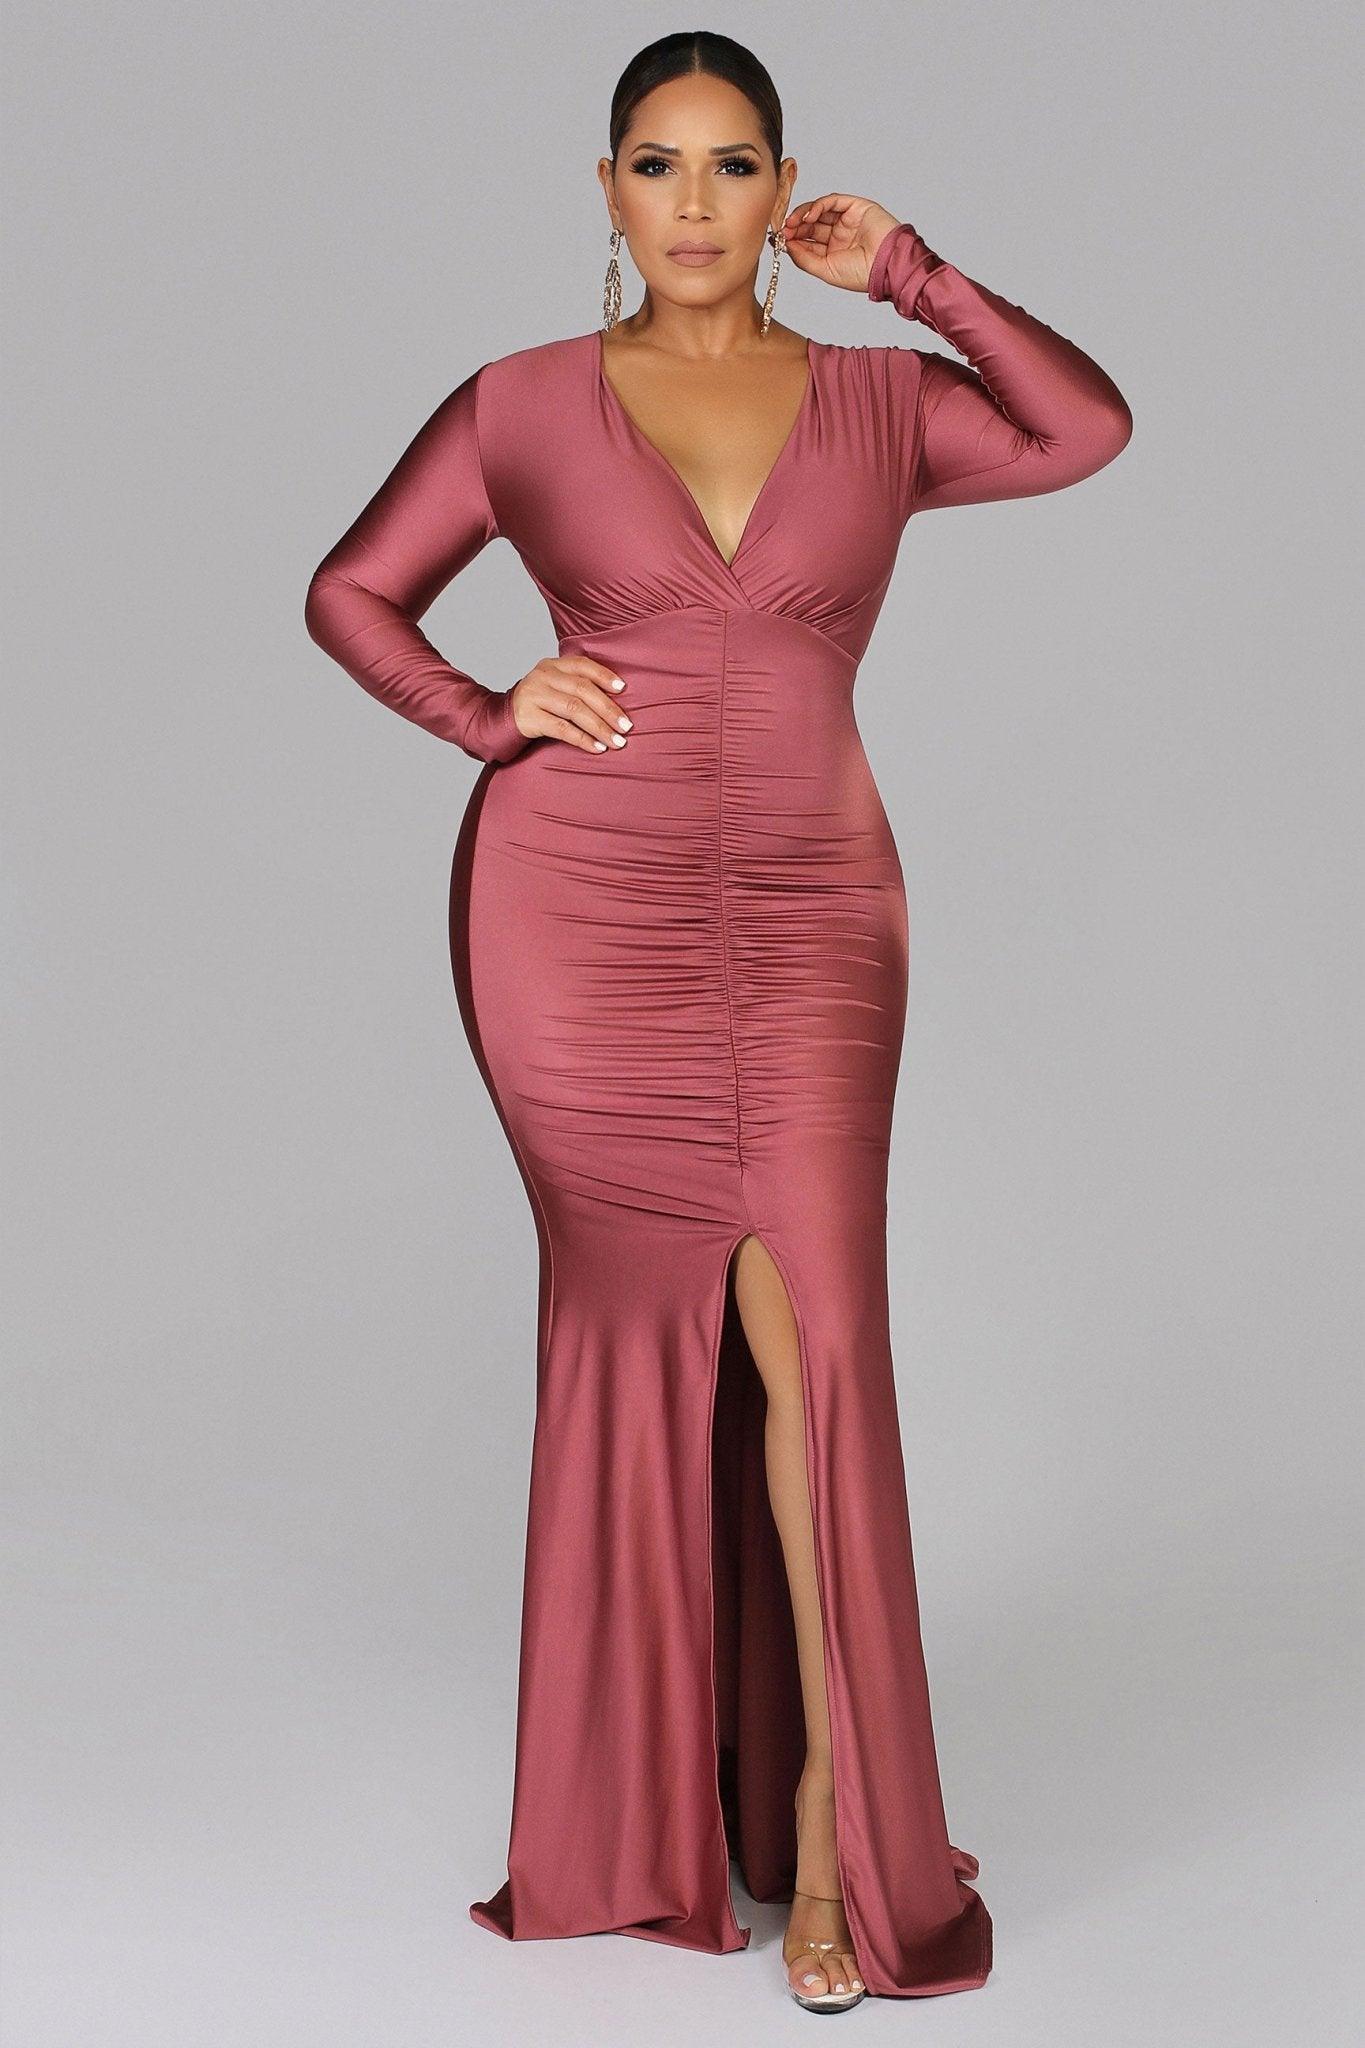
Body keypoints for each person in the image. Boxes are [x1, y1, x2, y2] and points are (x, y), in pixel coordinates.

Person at [303, 30, 1131, 2012]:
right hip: (575, 920)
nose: (693, 200)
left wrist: (914, 273)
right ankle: (653, 1814)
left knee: (817, 1336)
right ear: (605, 191)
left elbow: (1083, 428)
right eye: (657, 164)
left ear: (781, 187)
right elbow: (350, 593)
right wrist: (484, 713)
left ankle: (837, 1824)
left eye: (732, 163)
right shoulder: (515, 404)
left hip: (816, 914)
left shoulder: (876, 402)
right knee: (641, 1330)